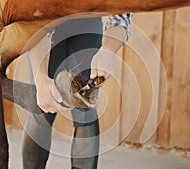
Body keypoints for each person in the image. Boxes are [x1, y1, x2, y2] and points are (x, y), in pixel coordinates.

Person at [23, 13, 132, 169]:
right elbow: (38, 20)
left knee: (85, 109)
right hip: (45, 18)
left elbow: (121, 16)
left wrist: (108, 50)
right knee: (43, 108)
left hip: (87, 21)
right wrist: (39, 76)